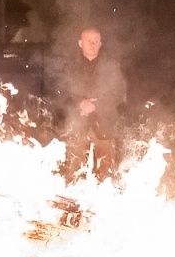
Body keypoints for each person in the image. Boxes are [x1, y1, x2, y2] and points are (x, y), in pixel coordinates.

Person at [54, 26, 128, 179]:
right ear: (80, 43)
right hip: (76, 127)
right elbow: (61, 91)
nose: (93, 44)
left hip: (104, 129)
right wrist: (80, 103)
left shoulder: (111, 66)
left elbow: (119, 92)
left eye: (96, 41)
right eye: (89, 41)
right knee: (74, 175)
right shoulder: (69, 66)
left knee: (106, 176)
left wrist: (96, 104)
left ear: (100, 44)